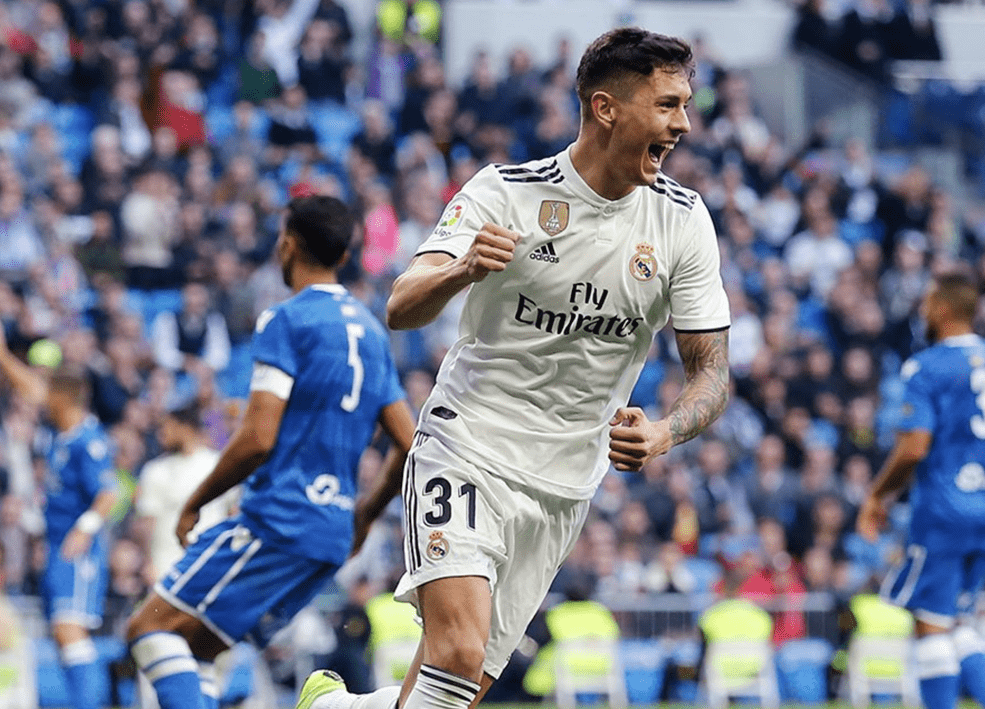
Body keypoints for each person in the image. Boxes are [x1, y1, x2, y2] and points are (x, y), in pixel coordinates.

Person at [298, 27, 731, 709]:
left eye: (685, 105)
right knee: (457, 655)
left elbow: (711, 368)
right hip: (467, 447)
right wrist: (465, 267)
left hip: (562, 486)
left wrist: (667, 431)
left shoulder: (681, 222)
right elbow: (401, 304)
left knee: (457, 691)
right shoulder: (507, 191)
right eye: (669, 104)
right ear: (606, 107)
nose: (683, 124)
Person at [124, 195, 417, 709]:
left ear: (287, 244)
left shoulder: (287, 319)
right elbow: (408, 443)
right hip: (328, 537)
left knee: (148, 631)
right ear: (345, 256)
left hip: (279, 518)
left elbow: (258, 438)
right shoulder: (372, 334)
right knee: (201, 648)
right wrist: (365, 516)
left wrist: (197, 499)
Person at [856, 272, 985, 709]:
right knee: (959, 621)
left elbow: (914, 448)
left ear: (944, 308)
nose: (923, 310)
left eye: (929, 302)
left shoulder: (926, 366)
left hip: (944, 509)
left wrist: (877, 495)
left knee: (930, 623)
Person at [0, 346, 118, 709]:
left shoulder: (88, 440)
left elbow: (109, 494)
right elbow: (33, 389)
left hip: (75, 551)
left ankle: (91, 704)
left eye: (50, 394)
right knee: (59, 633)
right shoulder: (61, 432)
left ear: (64, 398)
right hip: (54, 546)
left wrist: (84, 529)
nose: (42, 399)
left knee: (71, 629)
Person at [134, 402, 238, 580]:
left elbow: (233, 512)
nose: (161, 435)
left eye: (166, 427)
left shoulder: (217, 465)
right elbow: (147, 522)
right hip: (165, 566)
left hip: (210, 564)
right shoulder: (155, 470)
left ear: (186, 428)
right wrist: (147, 562)